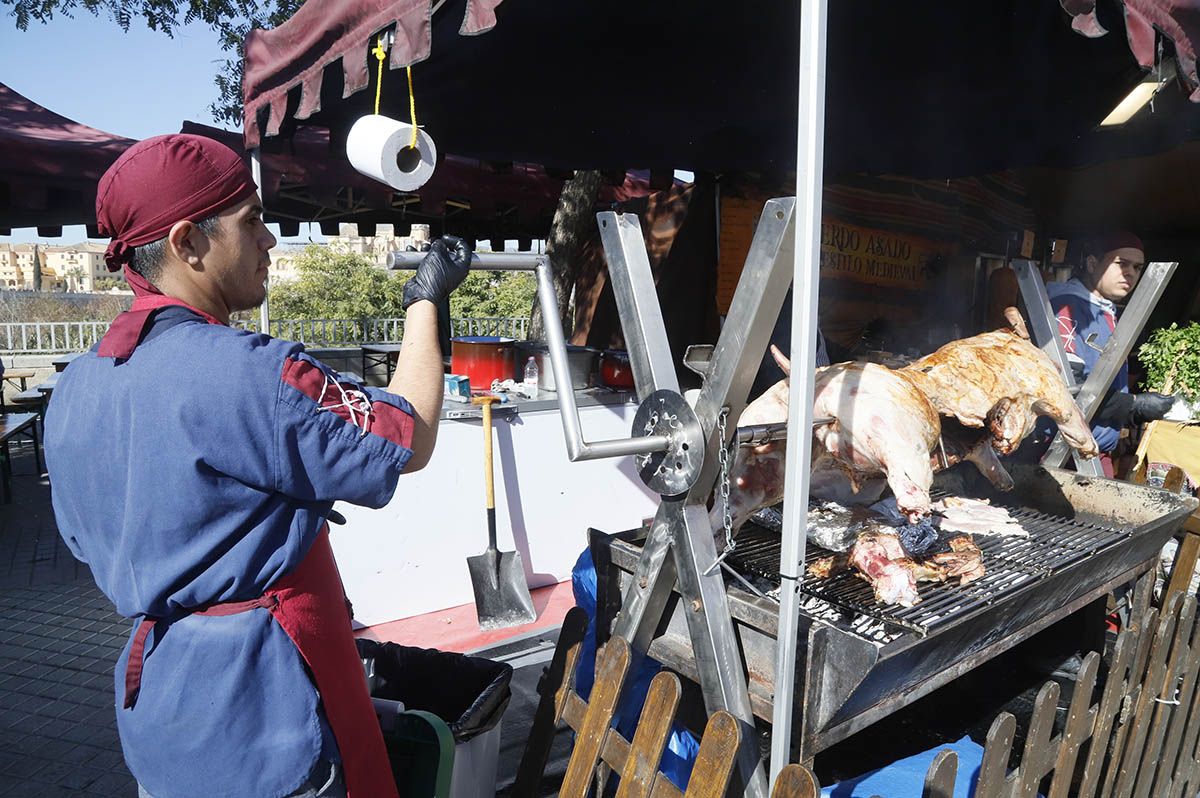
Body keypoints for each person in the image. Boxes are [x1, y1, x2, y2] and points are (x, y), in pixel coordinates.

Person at [43, 134, 471, 798]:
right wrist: (424, 303)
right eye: (251, 221)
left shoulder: (75, 389)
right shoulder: (252, 374)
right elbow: (406, 437)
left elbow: (82, 539)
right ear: (187, 242)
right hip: (266, 719)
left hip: (164, 709)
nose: (270, 241)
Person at [1035, 231, 1173, 475]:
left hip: (1093, 452)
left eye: (1137, 267)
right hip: (1063, 455)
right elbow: (1065, 388)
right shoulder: (1068, 309)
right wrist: (1133, 406)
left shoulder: (1104, 309)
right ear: (1091, 263)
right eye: (1121, 264)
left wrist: (1131, 411)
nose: (1130, 273)